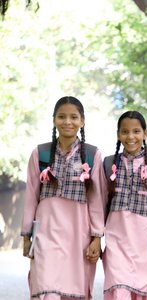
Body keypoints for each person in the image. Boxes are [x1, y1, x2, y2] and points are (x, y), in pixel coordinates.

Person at [21, 96, 105, 299]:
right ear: (54, 120)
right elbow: (32, 195)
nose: (68, 122)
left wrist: (96, 238)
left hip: (78, 237)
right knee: (47, 290)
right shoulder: (39, 153)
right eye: (62, 117)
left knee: (73, 292)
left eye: (74, 117)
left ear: (82, 121)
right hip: (45, 235)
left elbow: (96, 201)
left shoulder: (93, 155)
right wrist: (26, 235)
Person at [101, 111, 147, 300]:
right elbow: (99, 205)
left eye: (136, 131)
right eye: (125, 131)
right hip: (116, 242)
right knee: (119, 290)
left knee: (144, 294)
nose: (130, 137)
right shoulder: (108, 164)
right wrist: (94, 237)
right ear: (118, 134)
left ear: (145, 134)